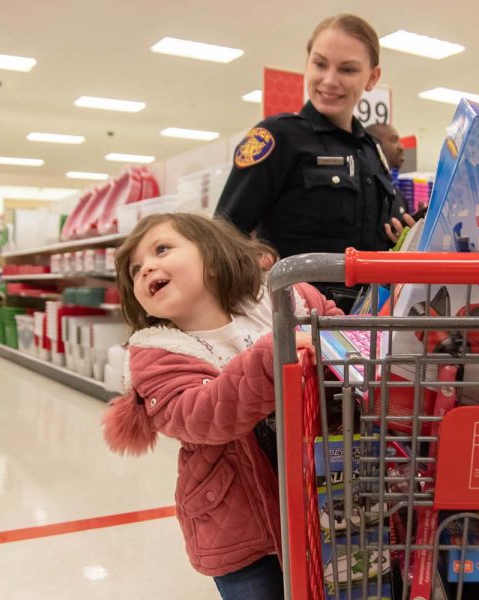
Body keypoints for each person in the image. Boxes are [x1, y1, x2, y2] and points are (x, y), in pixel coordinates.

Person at [100, 213, 341, 600]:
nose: (146, 268)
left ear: (213, 255)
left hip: (325, 492)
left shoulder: (282, 300)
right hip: (241, 527)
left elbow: (343, 339)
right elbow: (202, 416)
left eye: (162, 249)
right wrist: (270, 357)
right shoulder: (157, 352)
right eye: (134, 269)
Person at [215, 14, 414, 308]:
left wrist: (400, 238)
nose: (330, 80)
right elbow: (224, 234)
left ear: (371, 78)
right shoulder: (278, 136)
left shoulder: (372, 150)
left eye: (347, 69)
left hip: (369, 322)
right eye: (320, 64)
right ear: (307, 63)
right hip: (298, 321)